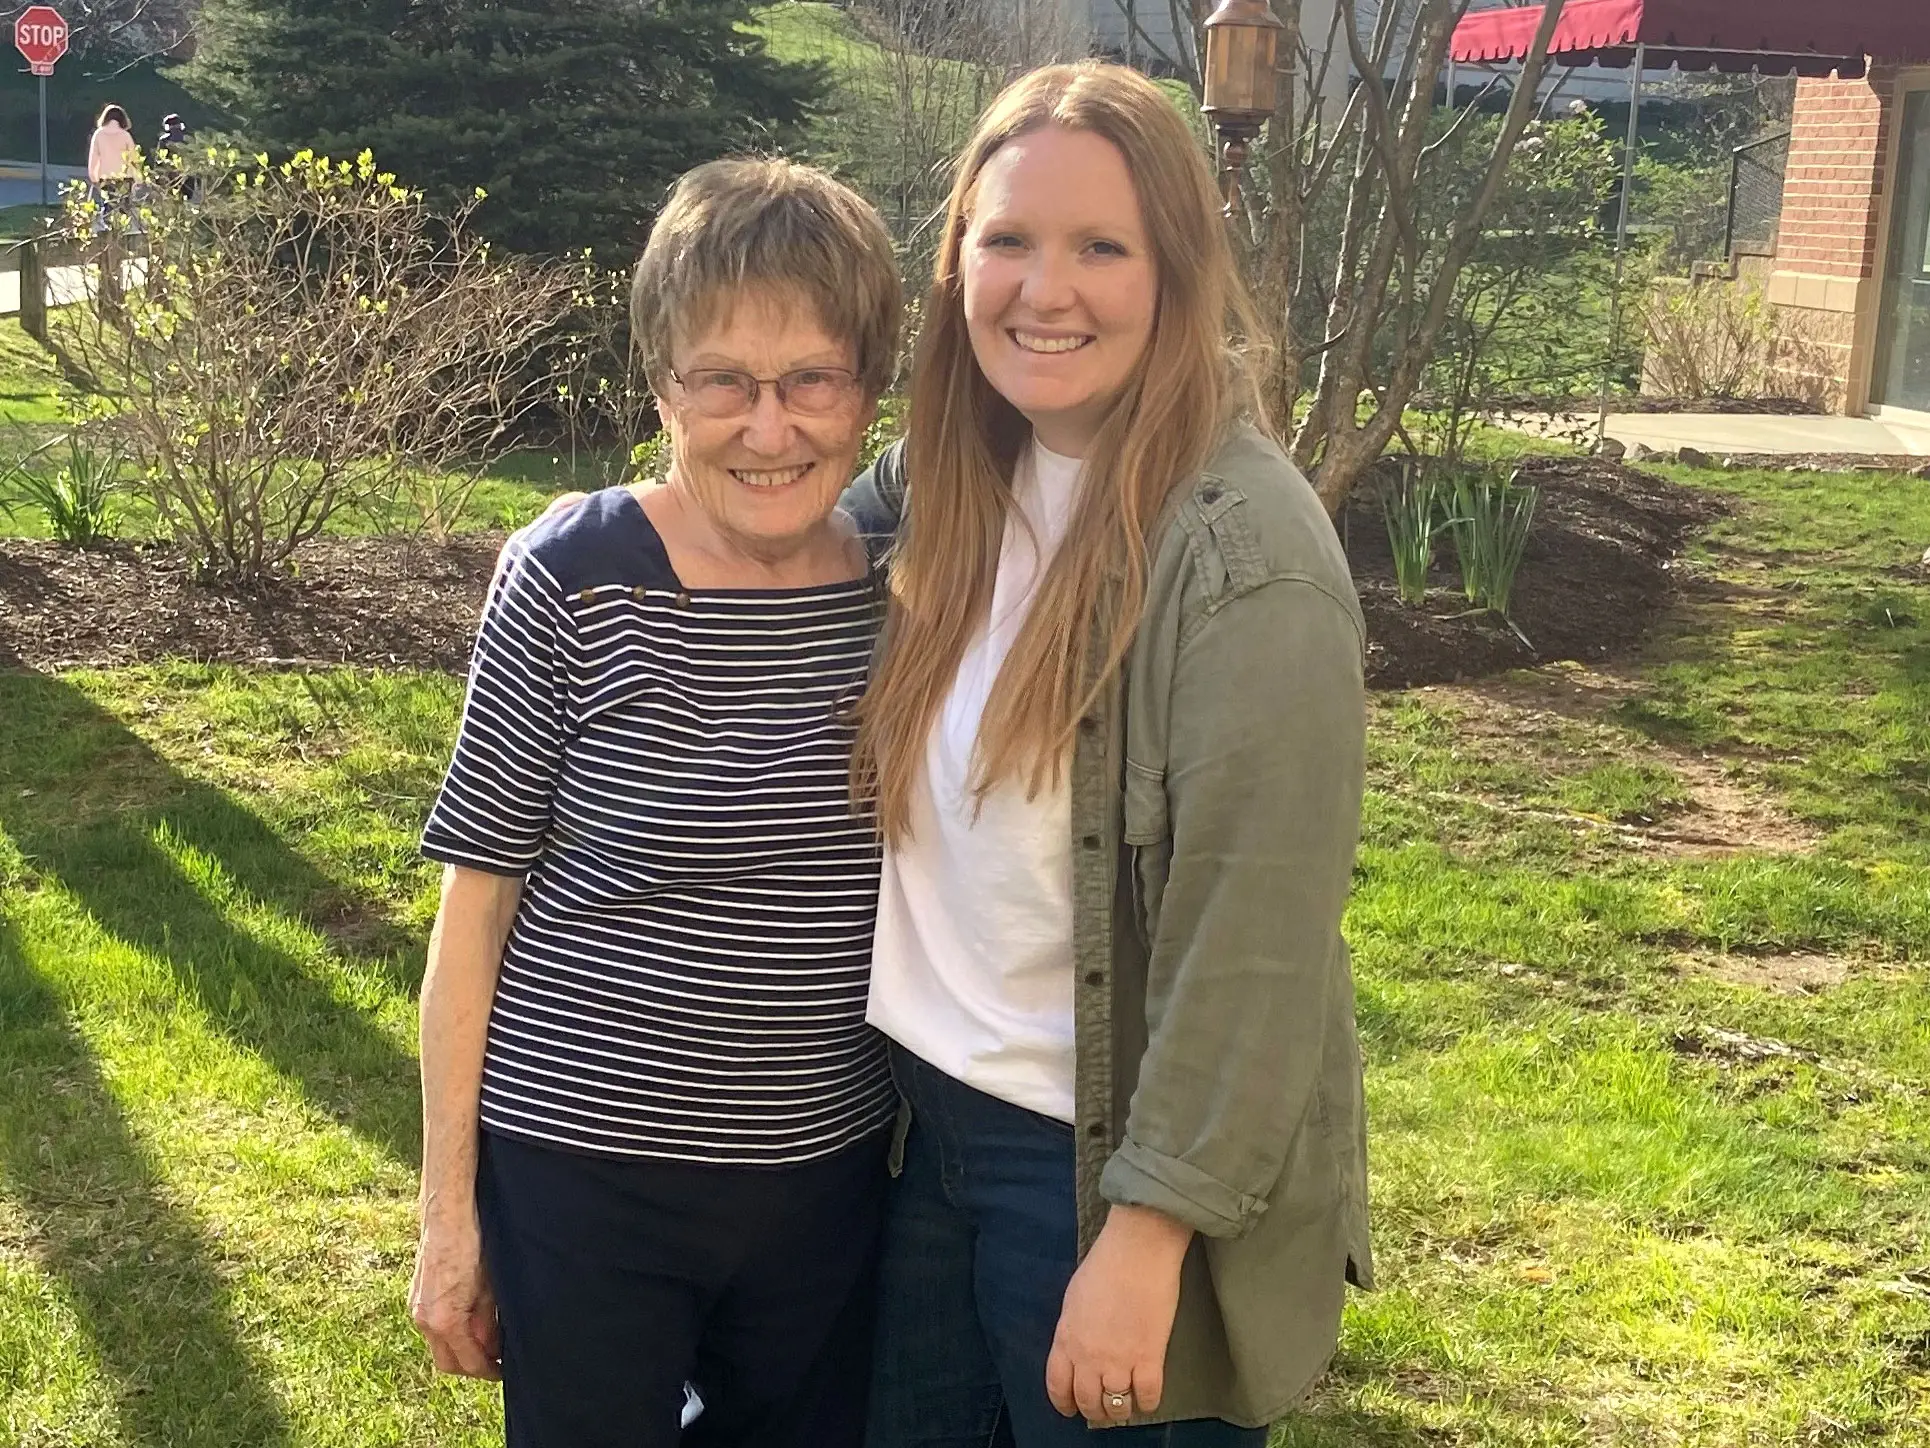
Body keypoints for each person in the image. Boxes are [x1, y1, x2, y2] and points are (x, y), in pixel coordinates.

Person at [843, 61, 1373, 1445]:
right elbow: (758, 536)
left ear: (1177, 270)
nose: (1044, 288)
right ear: (957, 254)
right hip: (922, 1136)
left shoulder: (1245, 560)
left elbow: (1255, 951)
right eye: (1006, 239)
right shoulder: (956, 474)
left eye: (1100, 247)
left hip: (1092, 1171)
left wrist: (1148, 1239)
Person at [411, 156, 903, 1448]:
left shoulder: (905, 593)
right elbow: (474, 915)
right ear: (658, 386)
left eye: (811, 379)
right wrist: (447, 1223)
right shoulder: (571, 579)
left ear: (868, 389)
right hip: (583, 1182)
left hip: (826, 1183)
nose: (768, 424)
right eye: (721, 381)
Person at [87, 104, 138, 216]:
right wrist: (137, 178)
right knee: (124, 207)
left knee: (108, 204)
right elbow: (133, 158)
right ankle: (122, 230)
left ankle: (109, 227)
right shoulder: (125, 135)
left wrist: (94, 177)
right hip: (125, 176)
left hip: (106, 176)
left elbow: (94, 157)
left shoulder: (98, 134)